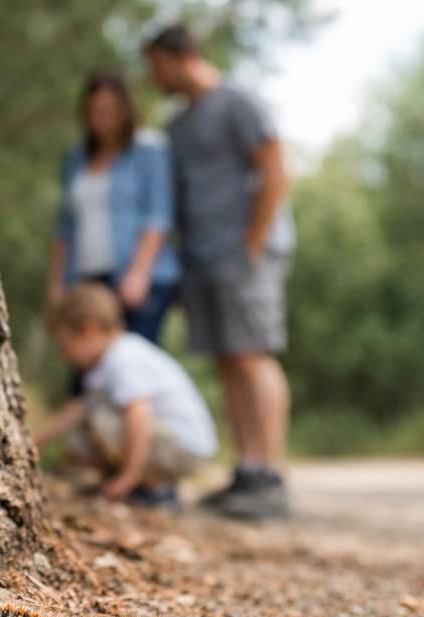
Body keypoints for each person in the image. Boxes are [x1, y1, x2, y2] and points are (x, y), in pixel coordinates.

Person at [143, 25, 294, 519]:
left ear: (183, 57)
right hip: (202, 259)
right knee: (228, 361)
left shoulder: (239, 102)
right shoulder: (179, 123)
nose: (154, 78)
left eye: (157, 67)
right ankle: (247, 472)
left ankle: (271, 476)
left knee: (253, 355)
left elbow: (275, 169)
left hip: (246, 255)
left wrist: (253, 243)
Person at [35, 283, 217, 509]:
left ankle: (154, 489)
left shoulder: (122, 358)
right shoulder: (106, 362)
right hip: (172, 442)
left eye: (66, 346)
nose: (65, 355)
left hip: (184, 448)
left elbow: (138, 416)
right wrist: (37, 440)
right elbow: (78, 407)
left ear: (89, 331)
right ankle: (144, 483)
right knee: (81, 432)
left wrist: (127, 478)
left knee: (99, 419)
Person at [46, 71, 181, 345]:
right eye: (94, 110)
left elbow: (158, 216)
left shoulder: (148, 149)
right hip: (87, 279)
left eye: (109, 109)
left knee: (130, 357)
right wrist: (56, 285)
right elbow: (65, 226)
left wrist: (139, 273)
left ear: (125, 110)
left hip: (137, 276)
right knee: (86, 361)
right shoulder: (76, 159)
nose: (101, 118)